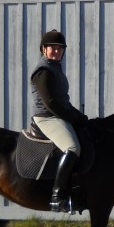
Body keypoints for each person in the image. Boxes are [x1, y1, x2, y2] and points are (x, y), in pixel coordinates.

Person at [30, 29, 88, 212]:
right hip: (47, 117)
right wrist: (71, 117)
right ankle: (57, 197)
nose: (56, 51)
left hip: (58, 114)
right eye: (52, 48)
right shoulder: (43, 71)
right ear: (44, 49)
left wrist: (79, 116)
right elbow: (50, 102)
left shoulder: (56, 68)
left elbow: (63, 100)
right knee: (73, 147)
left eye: (59, 48)